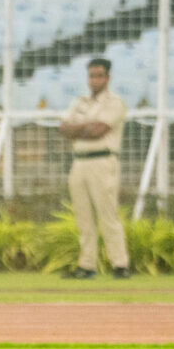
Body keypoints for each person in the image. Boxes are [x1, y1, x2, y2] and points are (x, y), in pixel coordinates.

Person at [59, 57, 130, 279]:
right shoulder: (80, 102)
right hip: (79, 161)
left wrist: (78, 128)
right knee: (83, 217)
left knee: (107, 214)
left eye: (99, 76)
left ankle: (120, 264)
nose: (95, 80)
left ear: (107, 77)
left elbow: (98, 130)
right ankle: (87, 265)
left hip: (102, 160)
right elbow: (64, 129)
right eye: (91, 76)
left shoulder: (115, 102)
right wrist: (84, 128)